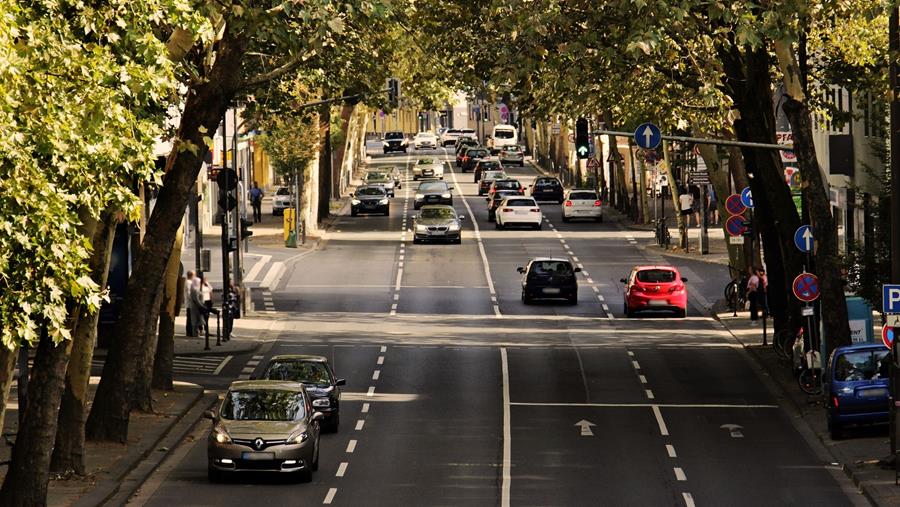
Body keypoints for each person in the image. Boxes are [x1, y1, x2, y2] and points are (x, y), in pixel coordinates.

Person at [184, 271, 196, 336]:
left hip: (190, 303)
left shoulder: (188, 282)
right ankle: (190, 332)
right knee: (190, 318)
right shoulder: (189, 282)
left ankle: (190, 331)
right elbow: (189, 293)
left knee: (190, 318)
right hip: (191, 303)